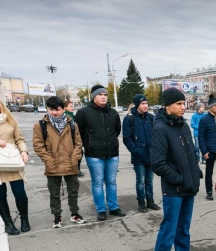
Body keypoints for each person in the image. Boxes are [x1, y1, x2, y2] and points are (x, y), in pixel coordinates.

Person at [149, 88, 203, 251]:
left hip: (189, 186)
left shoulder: (183, 126)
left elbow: (190, 154)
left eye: (184, 103)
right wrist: (179, 178)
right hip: (174, 189)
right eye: (179, 104)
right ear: (167, 105)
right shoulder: (160, 128)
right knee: (168, 229)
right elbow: (158, 163)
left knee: (184, 227)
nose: (183, 107)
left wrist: (195, 171)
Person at [0, 93, 30, 235]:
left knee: (20, 192)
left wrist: (24, 151)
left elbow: (19, 139)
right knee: (0, 194)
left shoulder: (10, 119)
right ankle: (8, 223)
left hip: (12, 160)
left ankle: (24, 219)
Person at [32, 96, 86, 228]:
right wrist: (48, 160)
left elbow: (78, 144)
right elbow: (38, 145)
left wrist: (74, 159)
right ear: (47, 109)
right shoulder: (40, 125)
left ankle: (75, 213)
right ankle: (57, 216)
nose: (54, 112)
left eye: (57, 109)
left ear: (63, 109)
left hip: (70, 163)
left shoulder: (72, 124)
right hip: (52, 164)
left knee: (73, 190)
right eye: (51, 109)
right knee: (54, 193)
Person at [75, 84, 125, 220]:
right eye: (100, 94)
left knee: (111, 182)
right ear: (93, 96)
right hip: (94, 154)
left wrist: (112, 142)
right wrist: (88, 144)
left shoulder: (113, 113)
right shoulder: (83, 112)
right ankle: (101, 210)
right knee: (97, 183)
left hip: (112, 153)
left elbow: (117, 130)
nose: (103, 97)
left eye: (105, 95)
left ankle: (114, 207)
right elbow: (77, 132)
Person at [122, 94, 161, 213]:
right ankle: (141, 202)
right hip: (139, 156)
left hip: (151, 155)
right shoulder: (129, 119)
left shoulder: (151, 117)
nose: (145, 106)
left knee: (149, 180)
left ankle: (150, 201)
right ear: (137, 105)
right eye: (143, 104)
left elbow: (157, 134)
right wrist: (136, 150)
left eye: (146, 103)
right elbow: (127, 138)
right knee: (140, 180)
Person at [64, 100, 84, 177]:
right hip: (69, 140)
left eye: (72, 106)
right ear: (65, 107)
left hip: (76, 139)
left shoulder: (73, 116)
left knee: (79, 153)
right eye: (71, 106)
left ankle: (77, 169)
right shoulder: (66, 117)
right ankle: (74, 170)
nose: (72, 108)